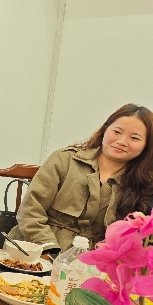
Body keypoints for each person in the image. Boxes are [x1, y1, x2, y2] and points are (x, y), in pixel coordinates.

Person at [10, 104, 153, 251]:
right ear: (105, 129)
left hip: (96, 258)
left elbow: (131, 236)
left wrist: (99, 259)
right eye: (117, 132)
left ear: (146, 145)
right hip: (38, 250)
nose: (122, 141)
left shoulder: (144, 184)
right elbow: (31, 211)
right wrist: (51, 251)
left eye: (134, 138)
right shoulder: (64, 160)